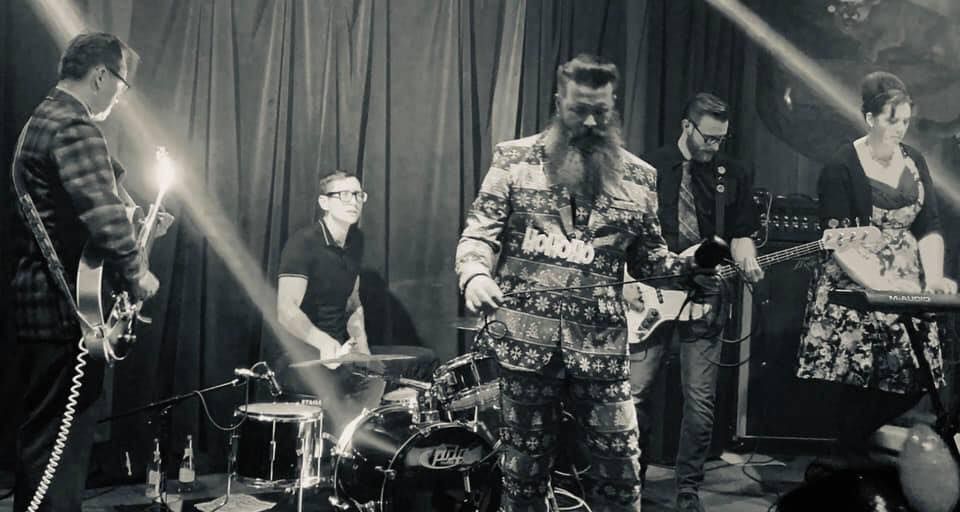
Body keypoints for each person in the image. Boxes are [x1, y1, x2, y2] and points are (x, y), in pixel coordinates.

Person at [457, 53, 710, 512]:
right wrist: (474, 274)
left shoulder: (640, 177)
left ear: (614, 108)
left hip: (602, 347)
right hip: (524, 346)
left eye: (601, 111)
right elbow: (479, 233)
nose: (591, 121)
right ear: (559, 104)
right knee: (524, 475)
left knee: (621, 471)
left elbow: (650, 261)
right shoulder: (513, 159)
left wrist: (689, 266)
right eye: (579, 110)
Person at [9, 33, 166, 512]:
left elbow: (90, 207)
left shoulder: (42, 118)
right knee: (60, 458)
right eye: (121, 83)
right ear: (101, 75)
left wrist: (140, 222)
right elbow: (103, 215)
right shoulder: (74, 127)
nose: (120, 96)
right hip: (63, 314)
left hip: (40, 309)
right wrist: (138, 271)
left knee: (44, 449)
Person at [797, 71, 957, 464]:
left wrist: (934, 278)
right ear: (869, 118)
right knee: (859, 380)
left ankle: (848, 450)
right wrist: (883, 292)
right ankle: (847, 459)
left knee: (917, 377)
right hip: (856, 279)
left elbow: (929, 226)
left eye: (905, 121)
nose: (900, 129)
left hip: (907, 279)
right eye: (891, 120)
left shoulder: (914, 160)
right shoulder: (841, 166)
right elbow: (840, 244)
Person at [626, 93, 762, 512]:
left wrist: (747, 257)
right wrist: (626, 282)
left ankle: (688, 488)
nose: (714, 146)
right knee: (636, 394)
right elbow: (626, 233)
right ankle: (631, 481)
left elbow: (741, 232)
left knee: (700, 399)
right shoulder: (647, 167)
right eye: (708, 138)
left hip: (705, 293)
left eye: (722, 139)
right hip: (650, 291)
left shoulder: (732, 173)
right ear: (687, 126)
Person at [275, 170, 383, 436]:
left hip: (339, 354)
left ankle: (353, 445)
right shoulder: (303, 244)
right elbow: (286, 311)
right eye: (343, 195)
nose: (353, 201)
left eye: (357, 194)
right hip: (302, 356)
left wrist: (364, 353)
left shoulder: (355, 242)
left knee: (385, 375)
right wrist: (323, 343)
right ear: (324, 202)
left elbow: (353, 302)